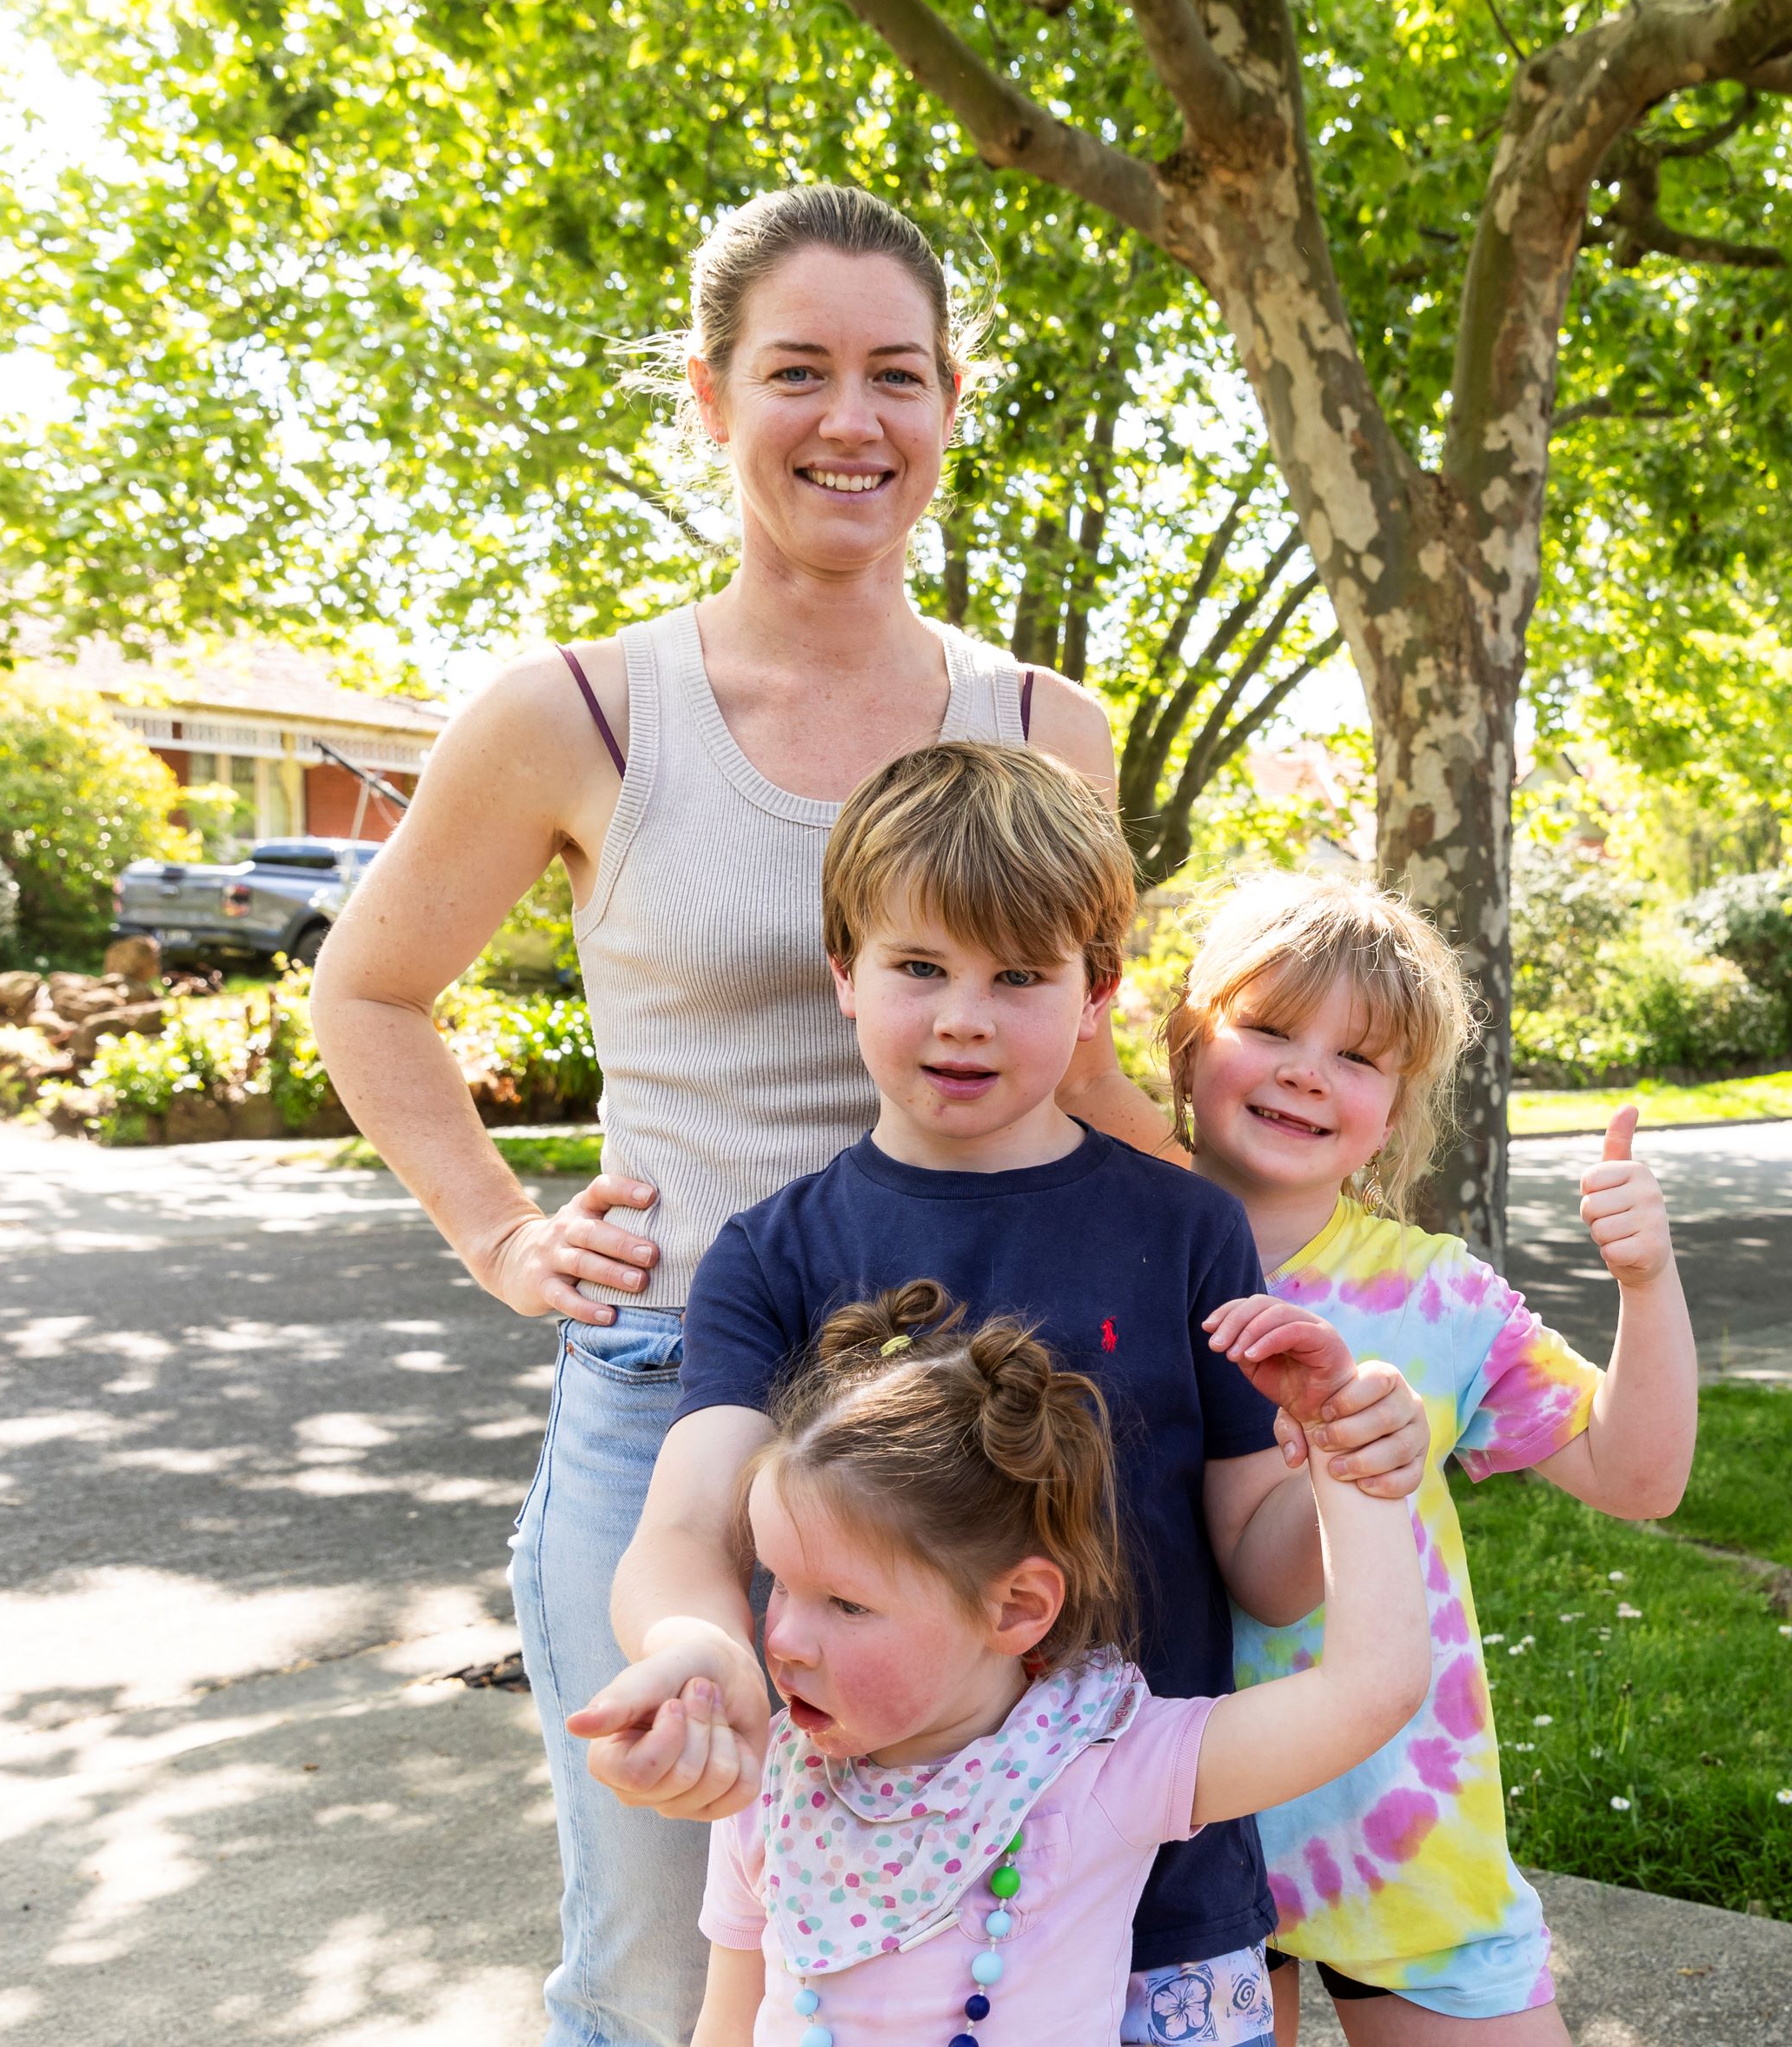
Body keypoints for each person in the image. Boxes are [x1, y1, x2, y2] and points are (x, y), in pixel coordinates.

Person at [311, 184, 1186, 2046]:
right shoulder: (576, 711)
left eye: (896, 373)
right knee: (663, 1954)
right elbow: (367, 992)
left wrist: (1295, 1249)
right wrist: (498, 1228)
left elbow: (1089, 1056)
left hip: (995, 1413)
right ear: (711, 401)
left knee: (980, 1959)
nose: (848, 420)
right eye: (796, 370)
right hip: (676, 1387)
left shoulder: (1047, 719)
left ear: (952, 401)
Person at [570, 743, 1431, 2045]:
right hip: (874, 1898)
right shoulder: (772, 1251)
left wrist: (1336, 1455)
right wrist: (695, 1651)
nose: (963, 1016)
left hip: (1160, 1888)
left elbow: (1263, 1565)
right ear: (842, 975)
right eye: (920, 966)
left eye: (1017, 975)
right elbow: (690, 1528)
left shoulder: (1190, 1229)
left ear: (1094, 994)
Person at [1162, 873, 1701, 2044]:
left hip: (1402, 1828)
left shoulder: (1437, 1292)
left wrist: (1645, 1282)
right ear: (1182, 1043)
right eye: (1265, 1028)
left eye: (1357, 1056)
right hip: (1170, 1844)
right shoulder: (1109, 1248)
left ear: (1397, 1109)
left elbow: (1638, 1475)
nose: (1307, 1069)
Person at [693, 1279, 1431, 2047]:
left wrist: (1346, 1444)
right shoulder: (764, 1782)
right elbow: (725, 2022)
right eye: (779, 1582)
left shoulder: (1099, 1768)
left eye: (846, 1604)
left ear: (1014, 1609)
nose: (779, 1639)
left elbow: (1368, 1692)